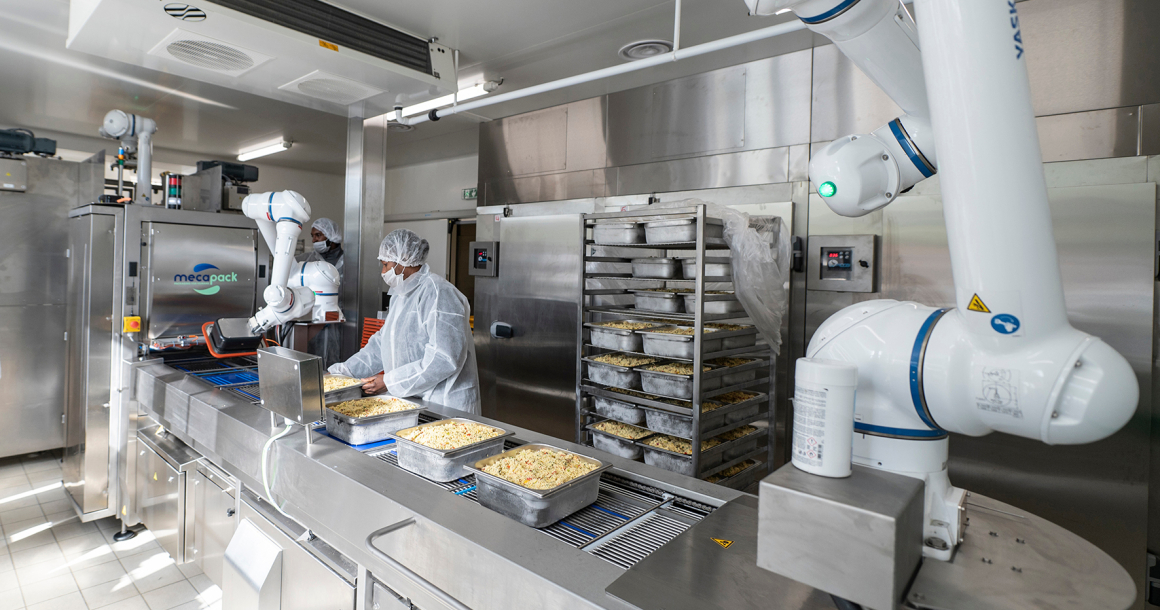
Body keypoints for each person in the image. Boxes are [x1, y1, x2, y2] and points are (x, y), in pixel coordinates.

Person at [328, 229, 481, 414]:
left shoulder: (439, 293)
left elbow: (443, 359)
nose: (383, 272)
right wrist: (343, 373)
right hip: (411, 400)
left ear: (405, 259)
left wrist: (389, 382)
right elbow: (381, 345)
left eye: (385, 265)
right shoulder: (400, 295)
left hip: (445, 404)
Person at [297, 218, 344, 367]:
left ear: (332, 237)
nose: (314, 240)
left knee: (336, 360)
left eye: (318, 235)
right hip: (312, 320)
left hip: (340, 322)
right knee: (311, 360)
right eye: (313, 236)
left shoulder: (349, 262)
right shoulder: (307, 260)